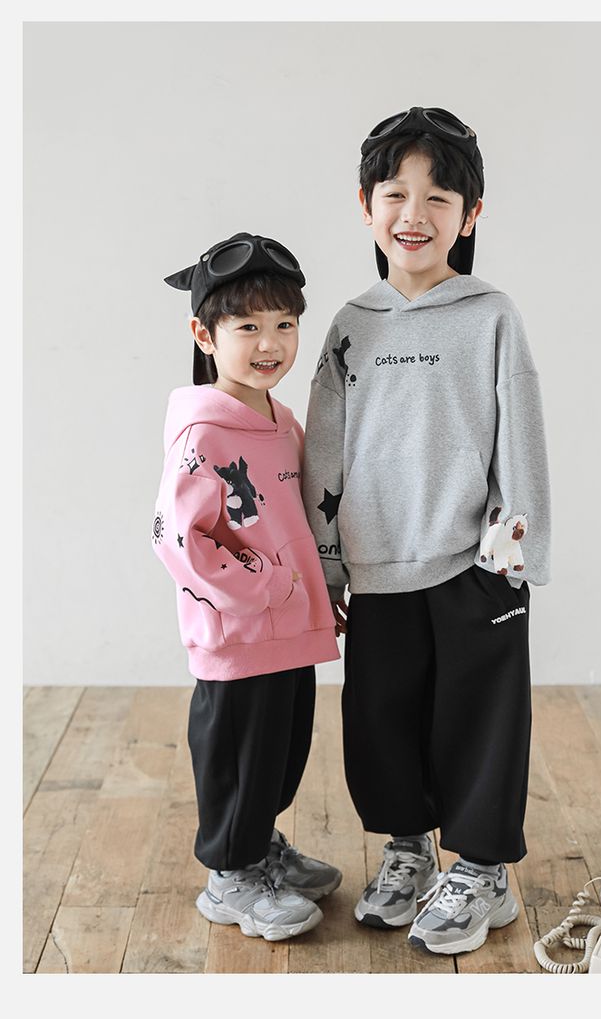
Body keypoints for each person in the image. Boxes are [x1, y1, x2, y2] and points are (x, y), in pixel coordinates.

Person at [302, 107, 551, 956]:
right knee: (382, 717)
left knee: (482, 719)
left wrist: (517, 549)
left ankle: (482, 870)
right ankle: (408, 851)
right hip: (377, 566)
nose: (415, 213)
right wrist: (328, 563)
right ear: (365, 205)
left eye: (439, 197)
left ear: (469, 215)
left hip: (475, 563)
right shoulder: (350, 324)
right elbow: (324, 450)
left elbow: (520, 433)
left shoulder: (491, 315)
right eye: (396, 194)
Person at [152, 232, 342, 942]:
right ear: (205, 335)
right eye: (248, 327)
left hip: (289, 630)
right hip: (239, 635)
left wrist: (316, 592)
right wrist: (263, 587)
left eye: (285, 324)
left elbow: (295, 520)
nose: (271, 343)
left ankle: (258, 843)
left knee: (278, 753)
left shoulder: (280, 420)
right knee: (237, 755)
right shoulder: (204, 431)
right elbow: (178, 537)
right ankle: (229, 877)